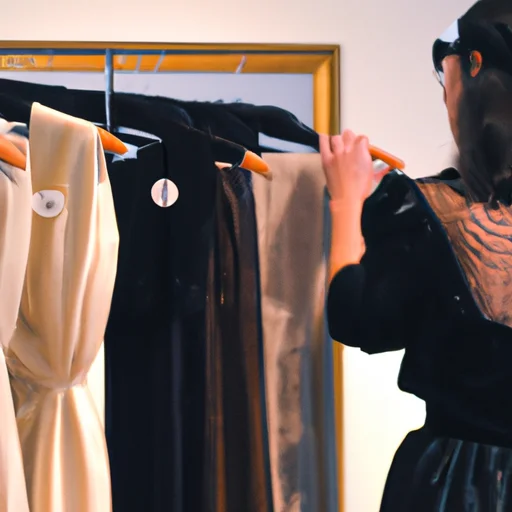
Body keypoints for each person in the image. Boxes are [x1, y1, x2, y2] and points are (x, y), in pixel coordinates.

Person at [321, 0, 512, 510]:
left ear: (474, 68)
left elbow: (358, 319)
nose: (445, 96)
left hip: (454, 481)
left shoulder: (425, 211)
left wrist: (347, 202)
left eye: (446, 78)